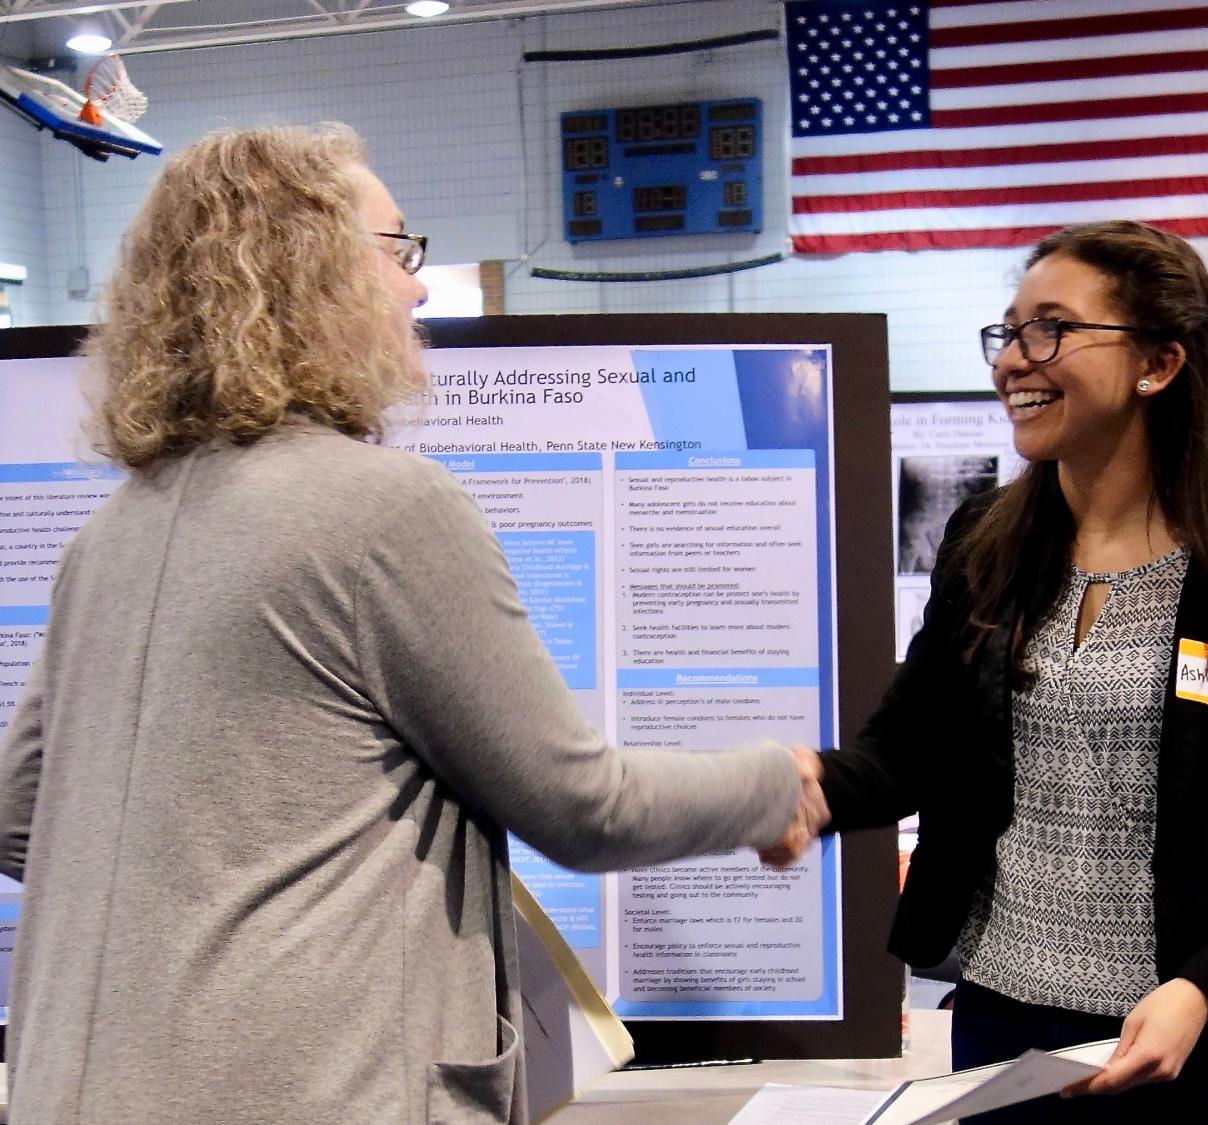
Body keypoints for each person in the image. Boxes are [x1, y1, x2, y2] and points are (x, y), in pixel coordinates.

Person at [0, 125, 820, 1125]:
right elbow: (584, 805)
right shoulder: (384, 509)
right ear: (313, 274)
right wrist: (776, 784)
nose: (419, 290)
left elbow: (18, 815)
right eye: (400, 251)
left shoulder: (110, 536)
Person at [765, 220, 1208, 1123]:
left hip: (1204, 1041)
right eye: (1009, 331)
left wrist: (1205, 987)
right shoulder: (988, 537)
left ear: (1160, 363)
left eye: (1049, 328)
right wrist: (809, 787)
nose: (1014, 359)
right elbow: (910, 748)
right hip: (1007, 1034)